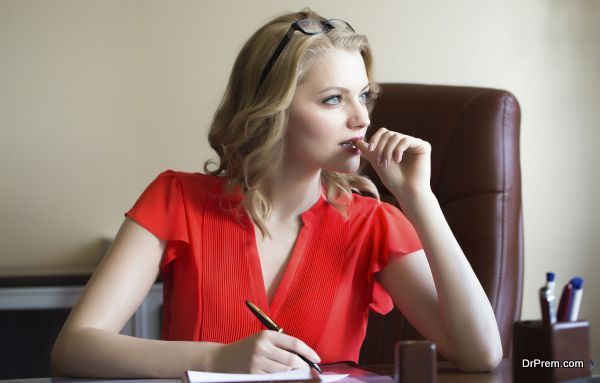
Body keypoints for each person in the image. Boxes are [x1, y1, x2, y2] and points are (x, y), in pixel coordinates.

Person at [51, 8, 502, 378]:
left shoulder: (374, 223)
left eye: (364, 96)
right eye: (333, 99)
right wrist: (214, 359)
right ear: (272, 110)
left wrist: (419, 200)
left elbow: (481, 354)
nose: (361, 118)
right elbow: (73, 349)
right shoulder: (176, 199)